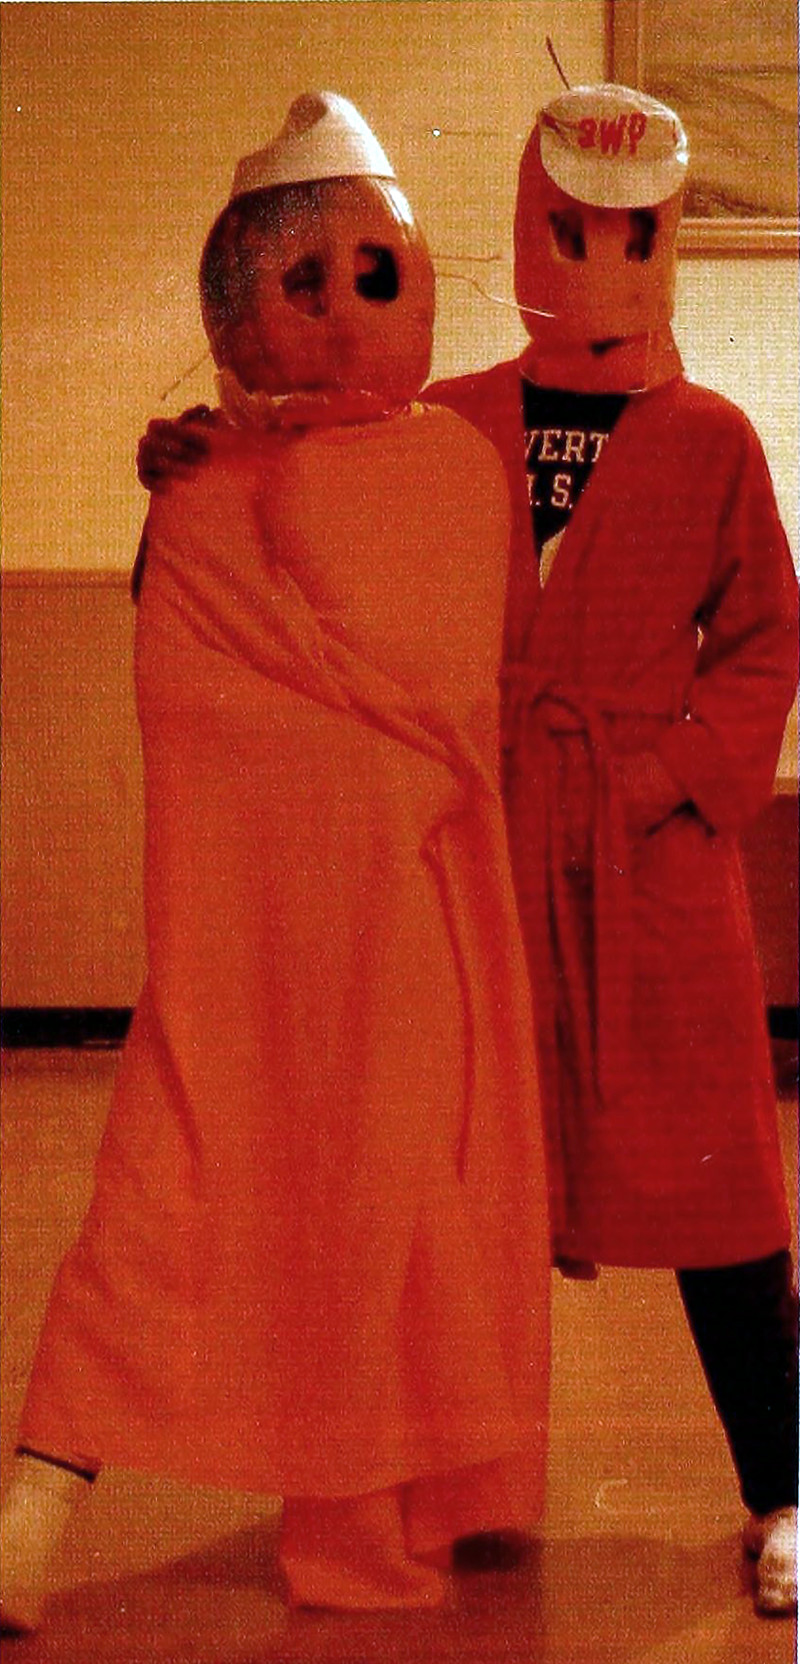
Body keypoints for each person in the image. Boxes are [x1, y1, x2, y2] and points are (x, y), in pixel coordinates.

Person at [135, 81, 800, 1618]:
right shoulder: (451, 420)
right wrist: (201, 452)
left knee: (720, 1193)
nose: (599, 261)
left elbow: (765, 639)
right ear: (522, 224)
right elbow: (307, 500)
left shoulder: (710, 439)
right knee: (454, 1185)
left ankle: (786, 1483)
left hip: (646, 869)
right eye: (569, 229)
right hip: (471, 851)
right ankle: (451, 1475)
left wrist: (670, 775)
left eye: (631, 235)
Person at [0, 92, 551, 1630]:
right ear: (241, 306)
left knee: (385, 1217)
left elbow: (433, 693)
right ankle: (36, 1502)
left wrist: (245, 468)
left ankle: (404, 1488)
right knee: (166, 1189)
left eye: (372, 275)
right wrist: (225, 468)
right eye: (303, 283)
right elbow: (198, 689)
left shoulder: (451, 471)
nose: (345, 312)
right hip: (242, 946)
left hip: (402, 945)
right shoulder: (204, 492)